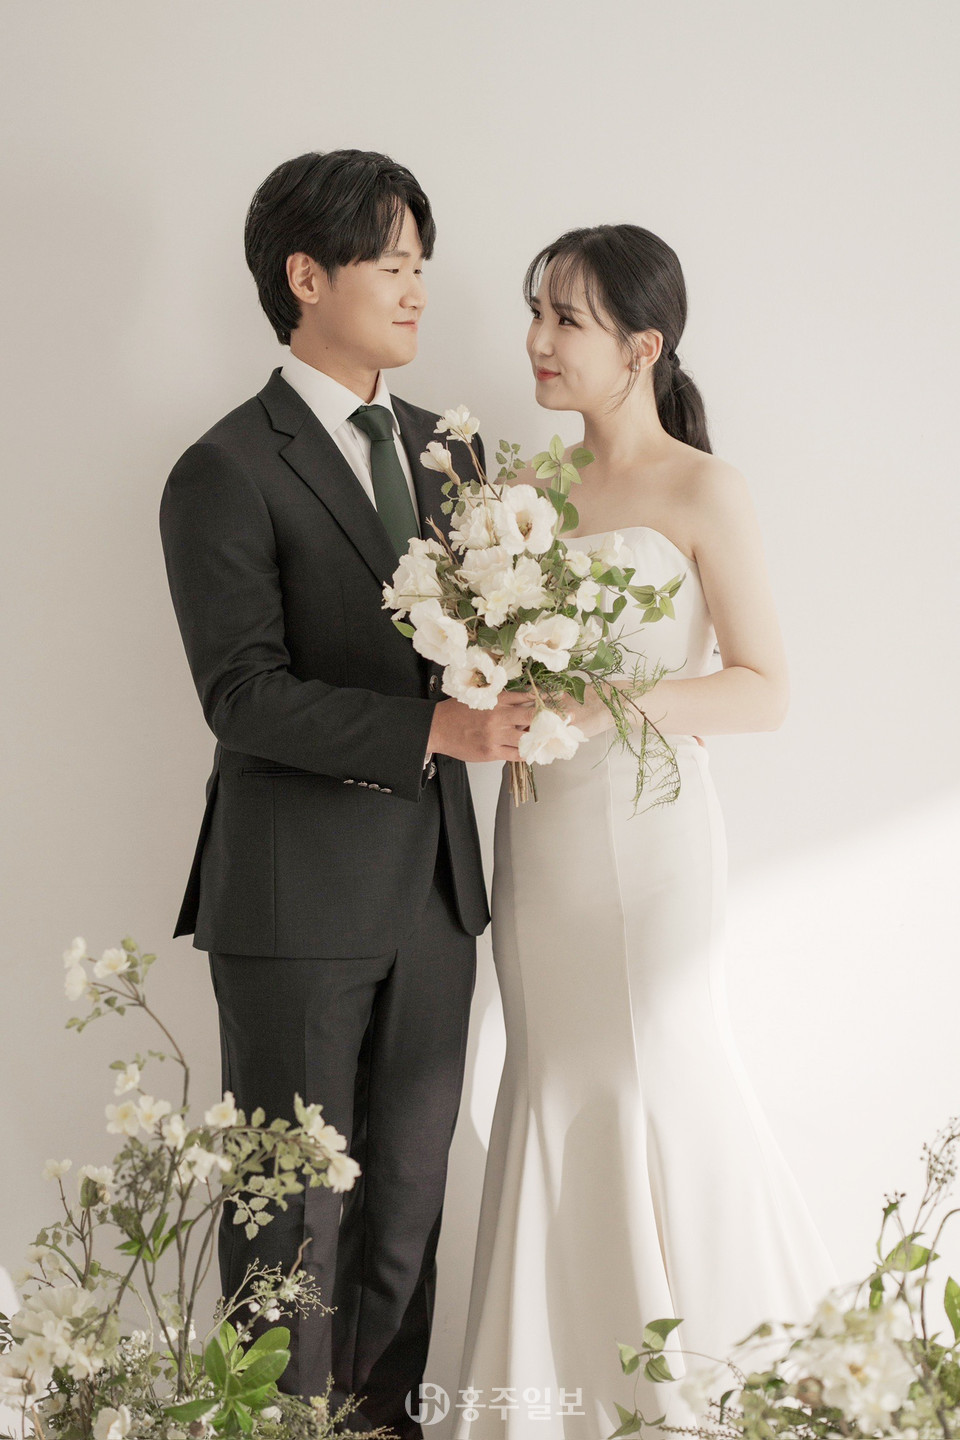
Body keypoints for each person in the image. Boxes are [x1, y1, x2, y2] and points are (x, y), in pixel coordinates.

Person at [158, 149, 532, 1439]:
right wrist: (436, 724)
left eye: (424, 264)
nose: (419, 289)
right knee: (292, 1219)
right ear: (306, 276)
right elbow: (242, 694)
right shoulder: (224, 466)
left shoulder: (451, 452)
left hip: (436, 895)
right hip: (295, 901)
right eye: (393, 263)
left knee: (407, 1212)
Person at [454, 225, 837, 1437]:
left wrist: (609, 703)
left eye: (566, 319)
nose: (537, 340)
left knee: (660, 1070)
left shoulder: (703, 488)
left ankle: (722, 1385)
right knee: (551, 1080)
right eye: (535, 313)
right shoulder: (522, 496)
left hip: (655, 841)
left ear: (642, 347)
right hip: (539, 841)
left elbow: (764, 690)